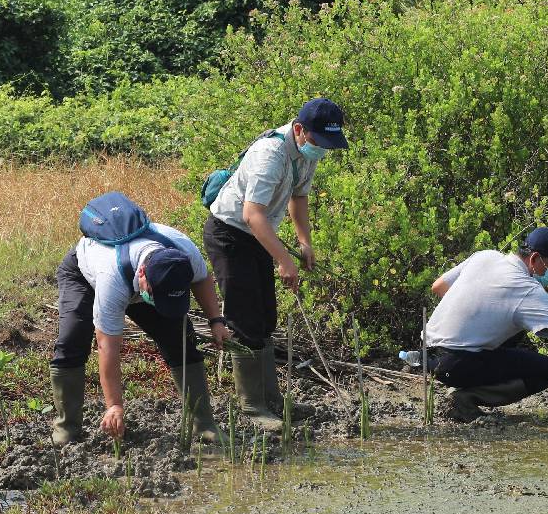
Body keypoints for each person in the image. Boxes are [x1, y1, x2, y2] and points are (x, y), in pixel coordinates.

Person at [203, 97, 348, 430]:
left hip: (258, 235)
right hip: (230, 234)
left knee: (266, 315)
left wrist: (304, 243)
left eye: (328, 145)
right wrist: (284, 261)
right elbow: (251, 215)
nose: (322, 150)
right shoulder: (270, 154)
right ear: (299, 130)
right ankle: (252, 407)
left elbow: (299, 197)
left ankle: (271, 399)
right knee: (245, 318)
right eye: (318, 142)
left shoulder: (306, 152)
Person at [49, 217, 232, 446]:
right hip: (83, 275)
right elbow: (108, 347)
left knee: (180, 338)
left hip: (144, 281)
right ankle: (67, 427)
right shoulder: (111, 280)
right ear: (143, 274)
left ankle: (205, 424)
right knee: (72, 339)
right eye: (158, 299)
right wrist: (114, 405)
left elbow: (202, 279)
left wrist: (216, 321)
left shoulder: (182, 250)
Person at [425, 227, 548, 422]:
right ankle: (465, 398)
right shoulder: (527, 289)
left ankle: (463, 382)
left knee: (516, 329)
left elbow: (439, 286)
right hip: (454, 363)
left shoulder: (485, 256)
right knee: (547, 370)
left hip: (427, 355)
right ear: (534, 259)